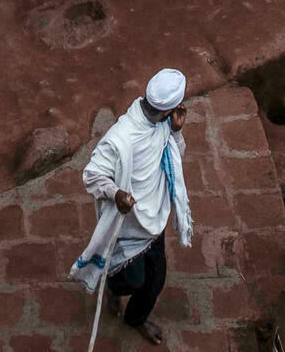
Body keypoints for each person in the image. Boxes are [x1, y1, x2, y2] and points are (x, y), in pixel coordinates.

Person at [70, 68, 195, 345]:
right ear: (169, 107)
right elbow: (92, 174)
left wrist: (175, 132)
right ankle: (114, 287)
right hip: (128, 225)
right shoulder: (121, 137)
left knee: (155, 279)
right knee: (131, 281)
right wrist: (116, 194)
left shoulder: (164, 126)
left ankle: (136, 318)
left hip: (154, 222)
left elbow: (175, 157)